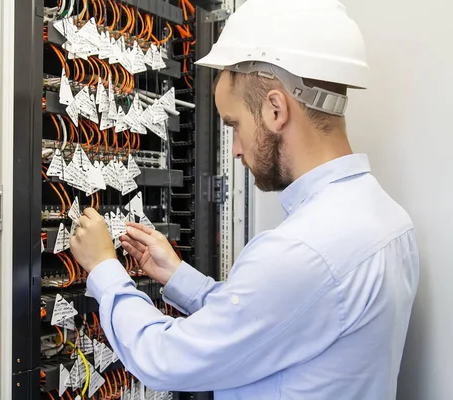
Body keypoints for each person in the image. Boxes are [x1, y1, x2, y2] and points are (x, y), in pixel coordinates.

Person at [69, 0, 419, 398]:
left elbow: (164, 359)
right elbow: (279, 317)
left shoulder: (302, 251)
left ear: (274, 110)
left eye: (235, 125)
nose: (234, 149)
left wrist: (103, 269)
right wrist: (180, 278)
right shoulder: (386, 217)